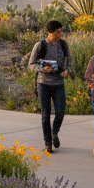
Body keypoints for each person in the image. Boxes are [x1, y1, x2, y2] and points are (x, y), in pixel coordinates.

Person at [27, 20, 71, 154]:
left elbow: (70, 62)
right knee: (45, 115)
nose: (60, 34)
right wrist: (42, 68)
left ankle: (54, 133)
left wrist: (67, 71)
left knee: (60, 113)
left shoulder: (63, 45)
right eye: (58, 32)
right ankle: (47, 143)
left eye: (61, 31)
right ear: (50, 32)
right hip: (43, 84)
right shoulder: (40, 45)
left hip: (58, 84)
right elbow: (31, 64)